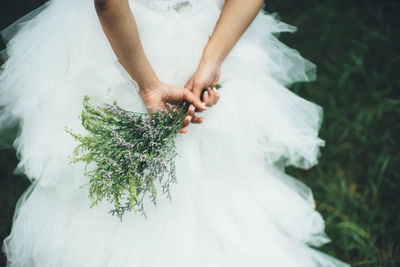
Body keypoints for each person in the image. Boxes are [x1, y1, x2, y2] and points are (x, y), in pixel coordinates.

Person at [0, 0, 349, 266]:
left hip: (121, 39)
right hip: (202, 31)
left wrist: (149, 85)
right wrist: (211, 61)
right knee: (215, 170)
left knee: (110, 183)